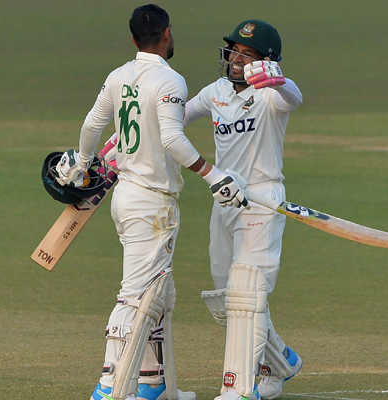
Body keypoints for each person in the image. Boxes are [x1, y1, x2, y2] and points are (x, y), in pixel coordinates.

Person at [53, 5, 250, 400]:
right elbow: (173, 140)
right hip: (153, 205)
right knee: (136, 295)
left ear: (132, 39)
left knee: (160, 294)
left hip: (125, 197)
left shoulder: (118, 76)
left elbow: (93, 125)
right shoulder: (169, 81)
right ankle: (109, 385)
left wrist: (85, 163)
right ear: (167, 34)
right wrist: (213, 176)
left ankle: (154, 383)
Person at [183, 20, 304, 400]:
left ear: (265, 61)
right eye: (234, 50)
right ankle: (281, 361)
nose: (236, 59)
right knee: (225, 299)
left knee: (246, 295)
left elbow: (294, 98)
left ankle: (239, 388)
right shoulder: (217, 92)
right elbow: (176, 119)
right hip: (224, 200)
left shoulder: (272, 95)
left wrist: (278, 80)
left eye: (246, 54)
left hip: (262, 200)